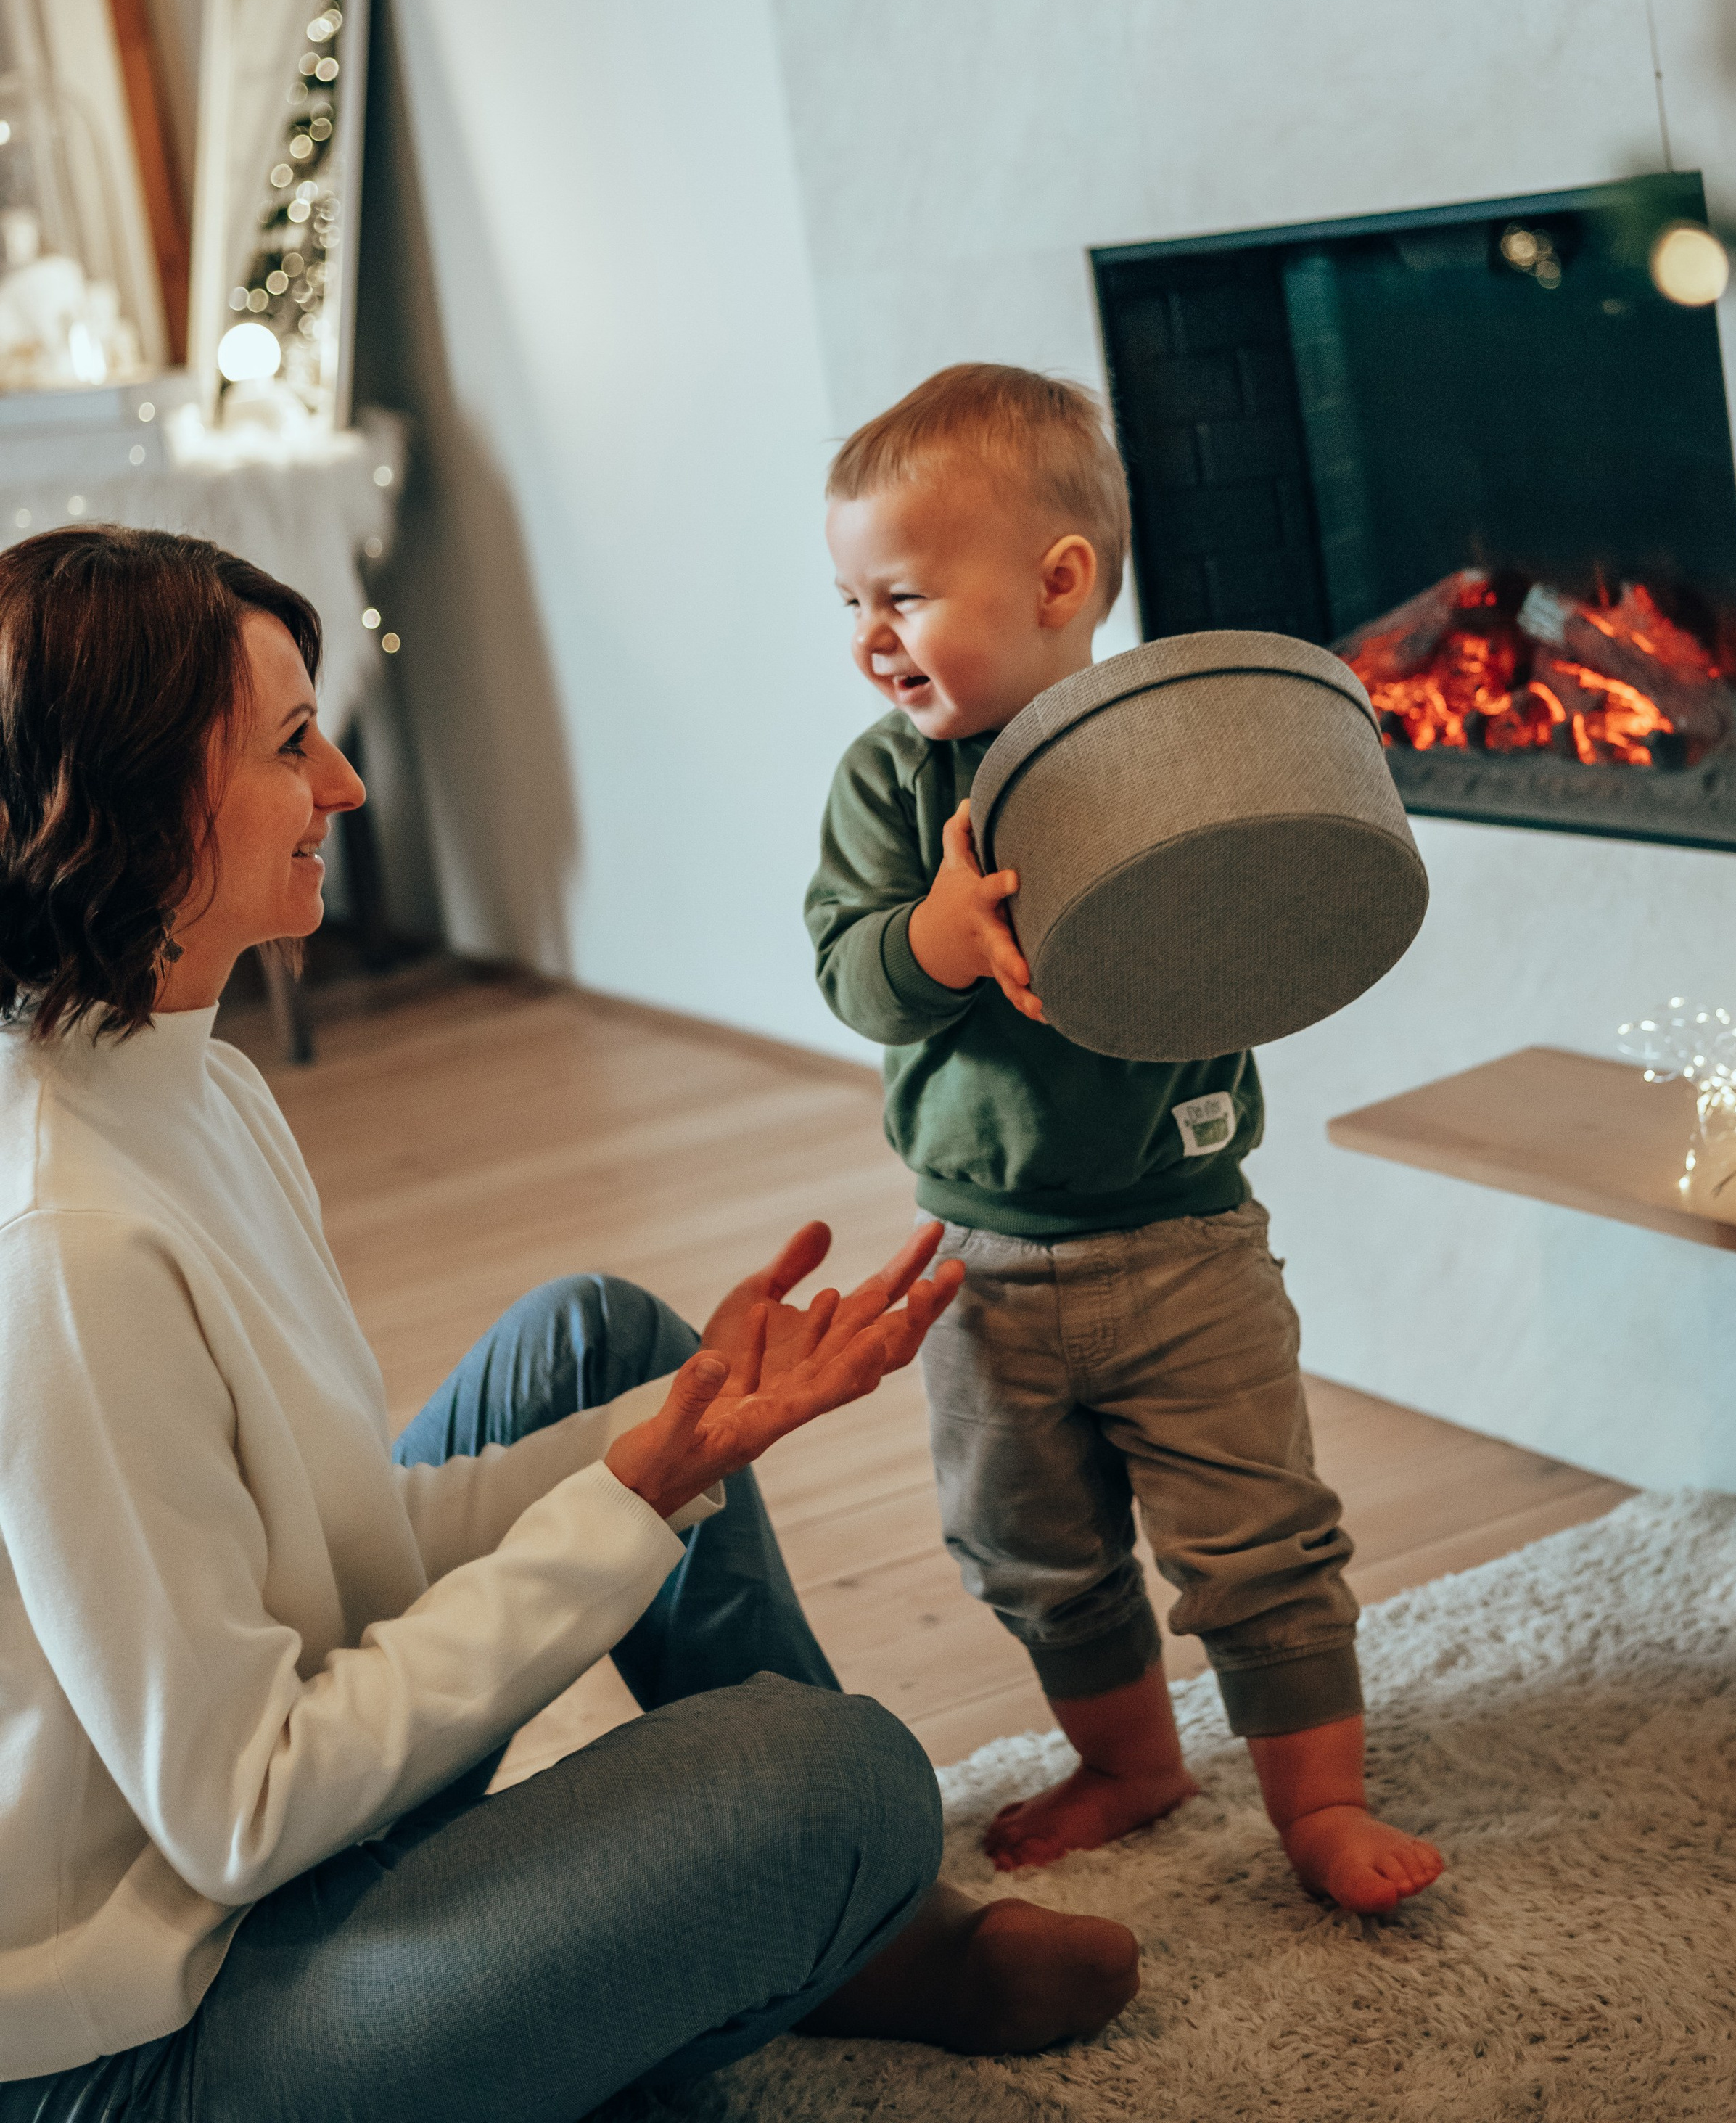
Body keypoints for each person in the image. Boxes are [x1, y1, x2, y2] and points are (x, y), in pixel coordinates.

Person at [0, 524, 1140, 2122]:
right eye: (287, 743)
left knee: (601, 1343)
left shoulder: (192, 1081)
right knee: (838, 1781)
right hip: (147, 2034)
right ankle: (795, 1939)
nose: (345, 786)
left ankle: (858, 1941)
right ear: (119, 809)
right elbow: (245, 1809)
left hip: (247, 1881)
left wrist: (669, 1440)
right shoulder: (67, 1246)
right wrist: (626, 1506)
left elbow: (331, 1552)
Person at [807, 364, 1445, 1910]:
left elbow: (1278, 905)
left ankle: (1320, 1805)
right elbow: (845, 966)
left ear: (1058, 581)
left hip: (1183, 1237)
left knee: (1258, 1535)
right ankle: (1130, 1761)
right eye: (850, 603)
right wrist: (935, 939)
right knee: (1026, 1548)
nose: (867, 638)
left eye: (898, 595)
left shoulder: (1184, 738)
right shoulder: (891, 784)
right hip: (977, 1255)